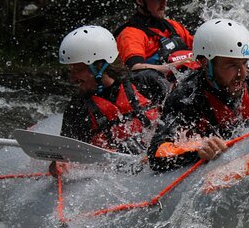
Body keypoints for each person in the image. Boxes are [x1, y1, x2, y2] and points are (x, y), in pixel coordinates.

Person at [148, 18, 249, 172]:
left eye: (245, 63)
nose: (242, 74)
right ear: (206, 63)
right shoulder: (185, 97)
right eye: (232, 65)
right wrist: (198, 152)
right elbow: (156, 154)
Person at [53, 25, 166, 175]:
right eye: (70, 70)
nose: (72, 78)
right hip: (115, 176)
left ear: (99, 66)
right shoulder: (77, 108)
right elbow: (66, 155)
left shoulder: (147, 83)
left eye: (77, 69)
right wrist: (59, 165)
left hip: (157, 164)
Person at [114, 0, 197, 87]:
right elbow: (134, 68)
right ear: (139, 1)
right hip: (159, 89)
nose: (163, 4)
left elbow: (200, 49)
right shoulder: (130, 34)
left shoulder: (173, 26)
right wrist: (171, 68)